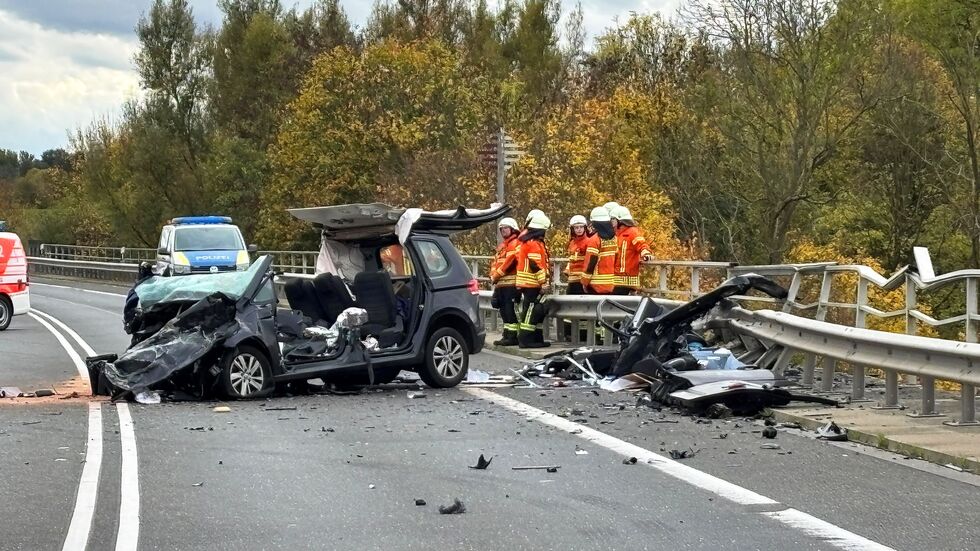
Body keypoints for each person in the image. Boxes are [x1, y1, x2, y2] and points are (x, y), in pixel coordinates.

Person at [515, 212, 551, 348]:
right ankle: (525, 340)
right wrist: (543, 282)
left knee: (538, 311)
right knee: (532, 310)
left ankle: (537, 339)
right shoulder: (533, 244)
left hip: (530, 283)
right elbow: (535, 264)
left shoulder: (532, 242)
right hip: (531, 283)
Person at [489, 217, 521, 346]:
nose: (503, 231)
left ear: (513, 229)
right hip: (501, 283)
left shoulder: (515, 244)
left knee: (509, 310)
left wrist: (496, 275)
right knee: (503, 311)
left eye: (506, 228)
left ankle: (512, 337)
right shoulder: (502, 246)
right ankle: (506, 335)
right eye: (501, 229)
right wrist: (492, 274)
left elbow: (510, 262)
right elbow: (495, 262)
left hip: (511, 284)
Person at [609, 205, 653, 295]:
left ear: (620, 220)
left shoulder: (632, 232)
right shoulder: (616, 234)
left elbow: (641, 244)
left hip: (627, 280)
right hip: (616, 279)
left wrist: (646, 254)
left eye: (613, 219)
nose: (611, 221)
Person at [580, 207, 617, 295]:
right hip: (613, 284)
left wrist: (584, 281)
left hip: (596, 286)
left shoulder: (594, 240)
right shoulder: (615, 239)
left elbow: (590, 263)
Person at [564, 215, 592, 295]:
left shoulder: (589, 241)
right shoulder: (572, 243)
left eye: (581, 227)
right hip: (572, 279)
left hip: (582, 279)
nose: (579, 229)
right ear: (573, 229)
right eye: (576, 228)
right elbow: (571, 259)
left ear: (585, 228)